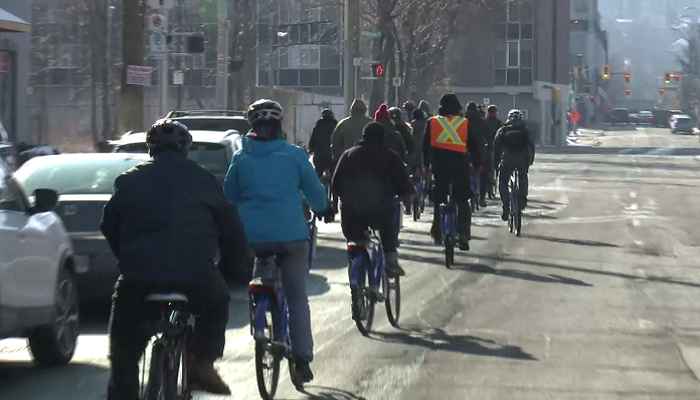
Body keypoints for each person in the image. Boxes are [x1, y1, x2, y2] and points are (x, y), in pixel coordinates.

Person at [101, 120, 249, 400]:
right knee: (217, 304)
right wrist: (234, 269)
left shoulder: (129, 180)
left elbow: (109, 225)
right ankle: (203, 365)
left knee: (124, 354)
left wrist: (128, 259)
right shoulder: (203, 179)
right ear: (185, 149)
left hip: (138, 280)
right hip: (197, 277)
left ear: (150, 149)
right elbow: (231, 228)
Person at [223, 99, 333, 384]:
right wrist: (323, 209)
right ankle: (302, 360)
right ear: (279, 125)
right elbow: (313, 190)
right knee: (296, 296)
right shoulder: (293, 155)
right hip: (291, 236)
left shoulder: (240, 158)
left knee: (260, 272)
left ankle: (260, 321)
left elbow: (230, 194)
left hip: (254, 237)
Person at [332, 122, 414, 282]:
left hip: (352, 211)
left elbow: (336, 182)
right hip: (380, 209)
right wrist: (406, 191)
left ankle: (355, 262)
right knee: (387, 231)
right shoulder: (390, 156)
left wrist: (342, 198)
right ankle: (390, 262)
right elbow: (402, 182)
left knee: (354, 237)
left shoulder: (349, 154)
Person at [423, 94, 482, 251]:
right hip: (460, 167)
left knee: (439, 197)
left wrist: (426, 166)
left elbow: (424, 146)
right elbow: (475, 146)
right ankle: (463, 234)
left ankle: (437, 231)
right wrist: (477, 165)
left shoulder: (433, 122)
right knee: (462, 199)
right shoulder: (464, 124)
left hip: (439, 166)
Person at [493, 109, 535, 221]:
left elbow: (496, 148)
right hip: (522, 160)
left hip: (507, 160)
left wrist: (495, 164)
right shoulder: (525, 130)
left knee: (503, 181)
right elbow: (531, 147)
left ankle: (506, 206)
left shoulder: (503, 130)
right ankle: (522, 198)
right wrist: (529, 161)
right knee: (522, 176)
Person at [331, 99, 372, 163]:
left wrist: (340, 158)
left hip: (347, 159)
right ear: (364, 110)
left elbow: (335, 144)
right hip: (367, 160)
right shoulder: (370, 123)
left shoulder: (343, 124)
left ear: (351, 110)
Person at [465, 102, 489, 208]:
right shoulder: (482, 122)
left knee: (464, 173)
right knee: (483, 173)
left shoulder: (463, 122)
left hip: (465, 150)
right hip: (480, 150)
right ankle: (482, 198)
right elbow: (489, 136)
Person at [308, 108, 337, 177]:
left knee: (318, 174)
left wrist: (311, 149)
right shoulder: (335, 126)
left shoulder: (318, 126)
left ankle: (318, 183)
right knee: (333, 173)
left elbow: (313, 140)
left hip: (319, 155)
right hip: (331, 155)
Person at [484, 105, 503, 200]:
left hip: (485, 148)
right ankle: (492, 186)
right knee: (494, 168)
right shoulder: (499, 123)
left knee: (485, 168)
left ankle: (487, 187)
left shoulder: (484, 122)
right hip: (496, 149)